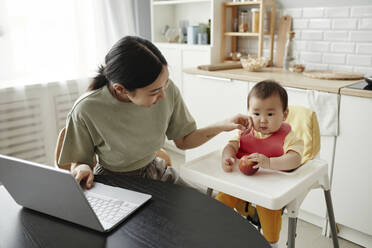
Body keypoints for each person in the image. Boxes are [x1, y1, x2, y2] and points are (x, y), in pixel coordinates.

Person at [58, 36, 252, 189]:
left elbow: (184, 140)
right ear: (121, 89)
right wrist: (82, 168)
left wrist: (222, 125)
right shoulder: (87, 109)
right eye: (154, 91)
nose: (163, 95)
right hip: (113, 182)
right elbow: (80, 162)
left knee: (204, 210)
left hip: (157, 172)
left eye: (165, 84)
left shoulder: (167, 91)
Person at [216, 80, 304, 248]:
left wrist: (269, 162)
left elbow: (295, 158)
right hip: (241, 184)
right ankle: (219, 231)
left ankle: (271, 242)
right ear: (249, 112)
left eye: (270, 114)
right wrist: (227, 157)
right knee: (221, 201)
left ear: (284, 115)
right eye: (256, 114)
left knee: (269, 212)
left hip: (268, 190)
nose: (262, 120)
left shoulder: (288, 136)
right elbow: (231, 146)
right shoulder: (245, 131)